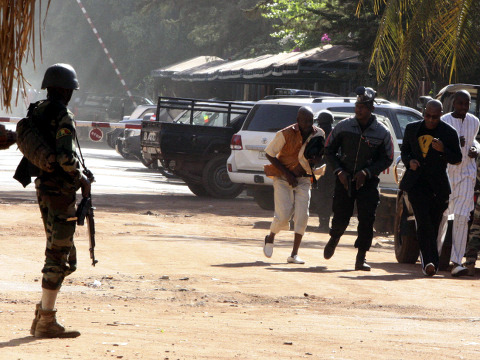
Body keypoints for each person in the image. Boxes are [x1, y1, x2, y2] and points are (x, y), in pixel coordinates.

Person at [15, 64, 91, 338]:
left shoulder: (37, 110)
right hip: (60, 191)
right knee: (59, 254)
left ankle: (42, 313)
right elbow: (66, 158)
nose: (71, 94)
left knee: (63, 255)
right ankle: (46, 320)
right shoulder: (63, 114)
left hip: (44, 188)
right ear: (62, 89)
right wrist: (81, 178)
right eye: (69, 89)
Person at [323, 87, 393, 271]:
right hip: (344, 179)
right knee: (341, 216)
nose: (359, 109)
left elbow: (388, 158)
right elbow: (329, 150)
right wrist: (339, 171)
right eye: (357, 105)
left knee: (367, 219)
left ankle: (361, 257)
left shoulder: (382, 132)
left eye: (363, 106)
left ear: (371, 108)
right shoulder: (343, 126)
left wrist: (367, 172)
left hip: (368, 183)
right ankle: (334, 238)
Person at [400, 99, 462, 276]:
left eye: (435, 117)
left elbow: (457, 158)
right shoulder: (412, 128)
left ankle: (430, 261)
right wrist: (409, 161)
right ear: (423, 112)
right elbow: (405, 151)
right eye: (427, 115)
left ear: (440, 115)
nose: (431, 119)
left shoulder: (449, 132)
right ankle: (429, 262)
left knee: (433, 226)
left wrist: (443, 150)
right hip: (416, 184)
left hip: (438, 187)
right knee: (424, 222)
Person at [263, 106, 324, 264]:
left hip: (304, 179)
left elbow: (320, 154)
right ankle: (270, 237)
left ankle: (294, 254)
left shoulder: (319, 134)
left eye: (311, 121)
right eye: (305, 121)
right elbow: (269, 153)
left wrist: (317, 160)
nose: (308, 124)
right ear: (298, 121)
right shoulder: (285, 134)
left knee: (302, 216)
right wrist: (287, 174)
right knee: (283, 216)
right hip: (283, 178)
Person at [437, 90, 479, 277]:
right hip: (447, 173)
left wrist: (475, 148)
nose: (463, 107)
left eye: (466, 104)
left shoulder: (475, 121)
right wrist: (452, 144)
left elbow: (475, 141)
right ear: (454, 103)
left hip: (467, 174)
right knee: (443, 215)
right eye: (460, 103)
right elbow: (437, 145)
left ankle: (456, 262)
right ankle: (434, 257)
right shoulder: (444, 121)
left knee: (462, 217)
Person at [311, 110, 335, 232]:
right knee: (330, 196)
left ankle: (323, 223)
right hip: (333, 170)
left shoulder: (317, 133)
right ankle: (326, 223)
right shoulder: (336, 133)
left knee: (320, 196)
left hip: (319, 170)